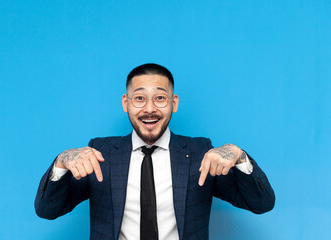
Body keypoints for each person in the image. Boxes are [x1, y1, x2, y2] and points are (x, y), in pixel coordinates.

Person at [35, 63, 275, 240]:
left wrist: (240, 156)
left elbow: (262, 204)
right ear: (126, 103)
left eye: (160, 98)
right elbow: (47, 210)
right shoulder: (100, 154)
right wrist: (60, 163)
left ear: (174, 103)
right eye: (139, 98)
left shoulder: (200, 153)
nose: (149, 109)